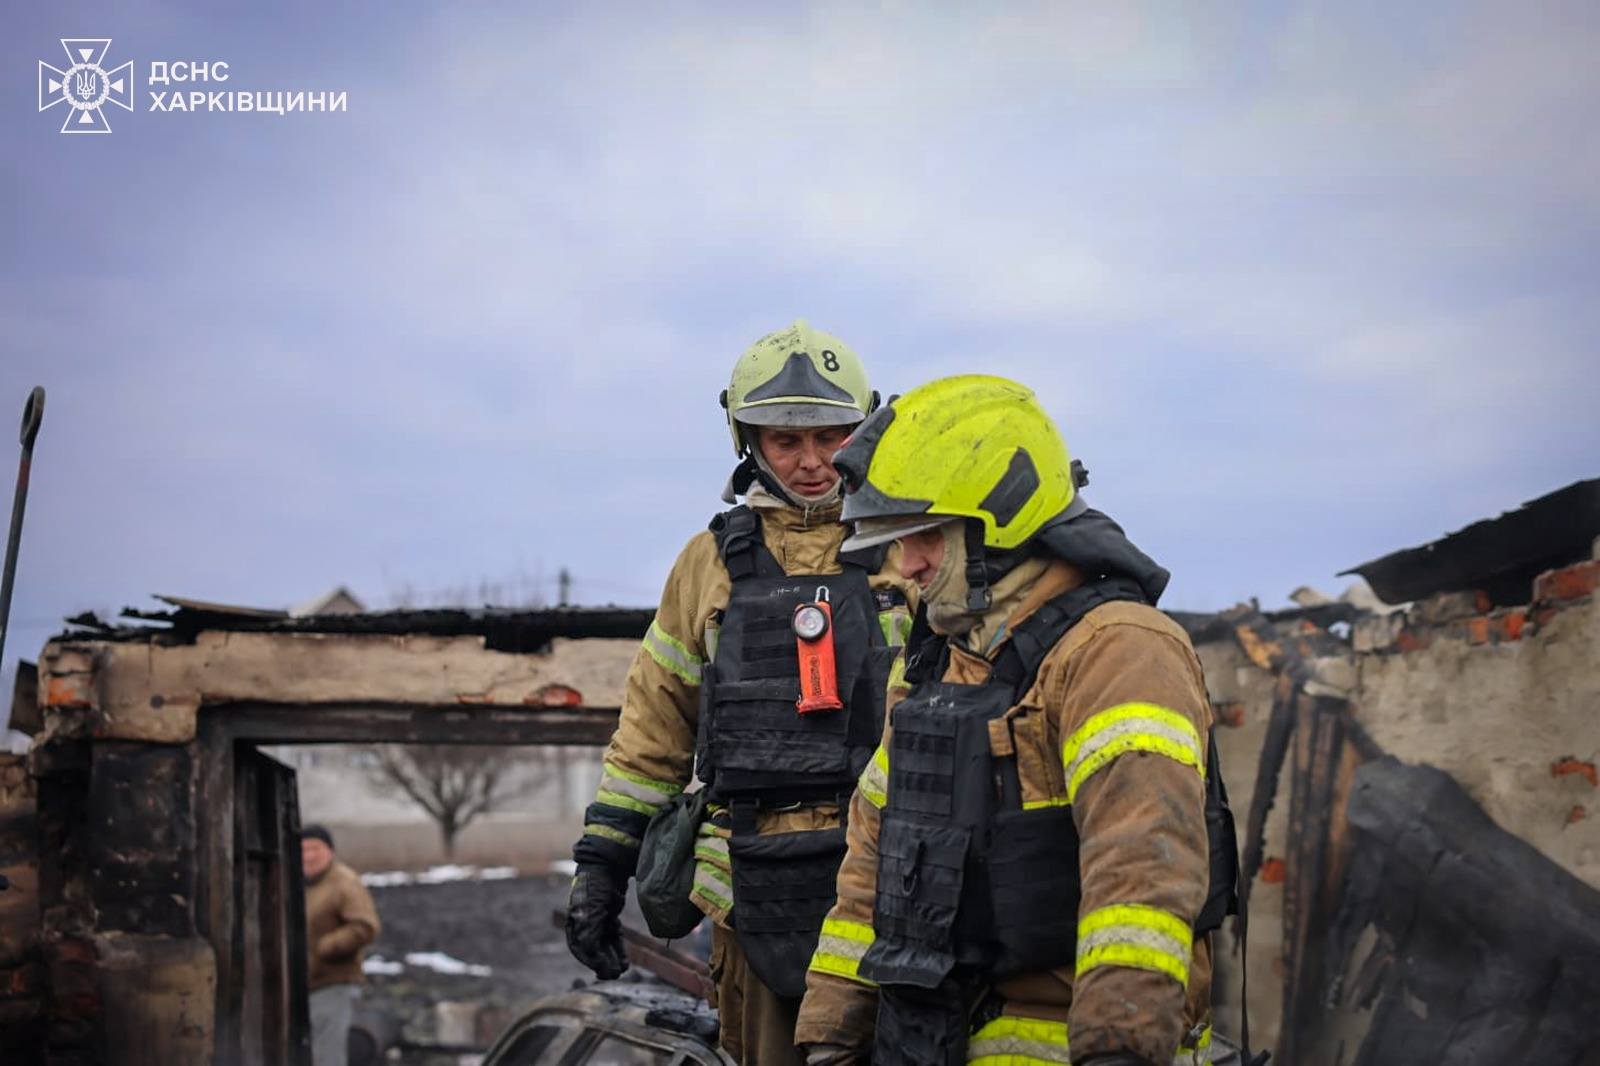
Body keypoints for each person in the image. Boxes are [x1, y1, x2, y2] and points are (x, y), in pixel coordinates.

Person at [794, 375, 1239, 1066]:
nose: (905, 567)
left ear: (998, 520)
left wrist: (1119, 1047)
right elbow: (873, 861)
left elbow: (1142, 869)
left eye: (925, 539)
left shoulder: (1118, 649)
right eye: (894, 541)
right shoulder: (937, 659)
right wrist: (832, 1030)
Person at [565, 320, 918, 1065]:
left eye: (832, 435)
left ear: (867, 427)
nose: (813, 460)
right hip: (754, 886)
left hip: (899, 875)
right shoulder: (707, 565)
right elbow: (653, 728)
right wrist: (603, 865)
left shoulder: (912, 544)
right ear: (745, 438)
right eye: (785, 440)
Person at [302, 824, 381, 1066]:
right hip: (304, 985)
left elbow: (365, 926)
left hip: (332, 982)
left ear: (330, 851)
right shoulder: (298, 884)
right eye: (303, 849)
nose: (309, 856)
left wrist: (327, 947)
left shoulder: (344, 883)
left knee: (328, 1055)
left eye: (316, 848)